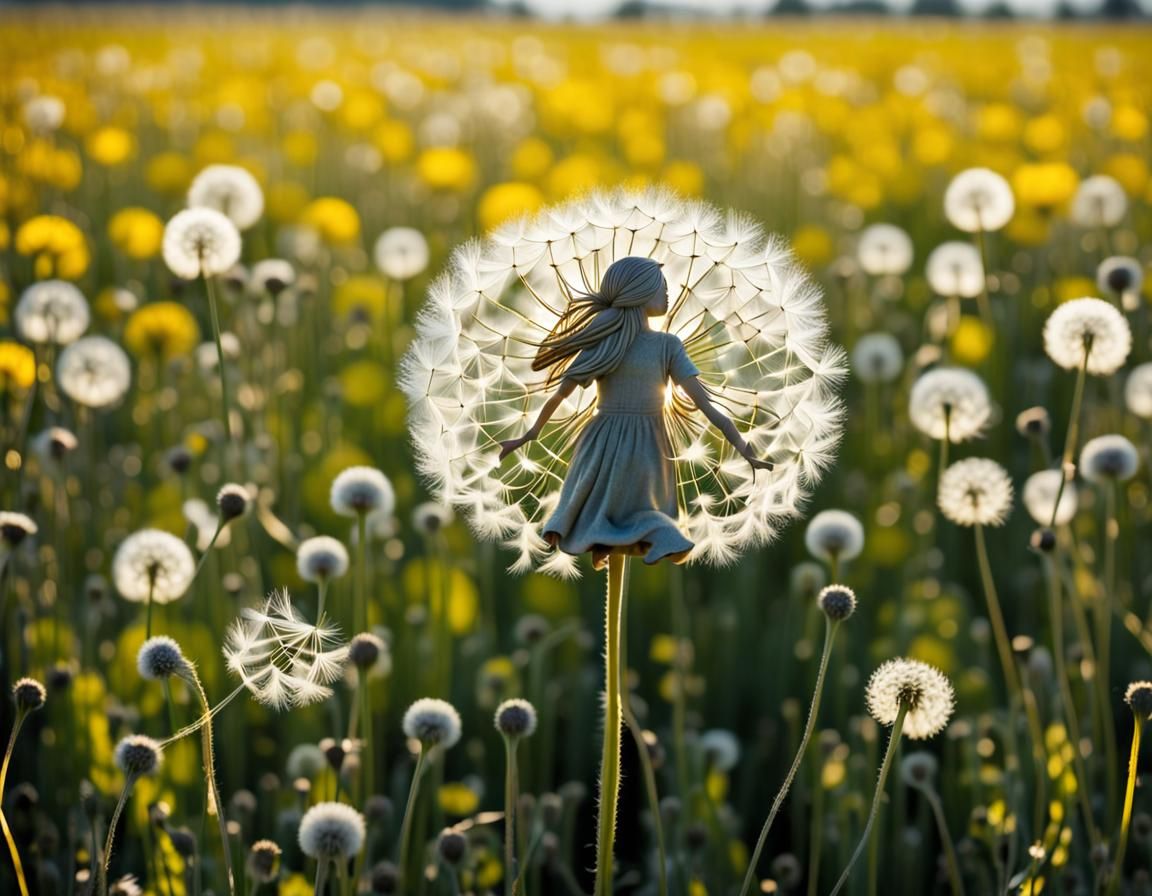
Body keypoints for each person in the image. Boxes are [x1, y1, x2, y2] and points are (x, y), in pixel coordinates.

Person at [498, 256, 773, 571]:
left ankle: (615, 541)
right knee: (635, 510)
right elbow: (706, 406)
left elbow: (561, 395)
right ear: (641, 292)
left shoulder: (616, 343)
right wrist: (527, 435)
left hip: (605, 440)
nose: (668, 293)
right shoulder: (663, 345)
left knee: (608, 507)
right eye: (661, 286)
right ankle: (639, 541)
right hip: (646, 442)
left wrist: (528, 435)